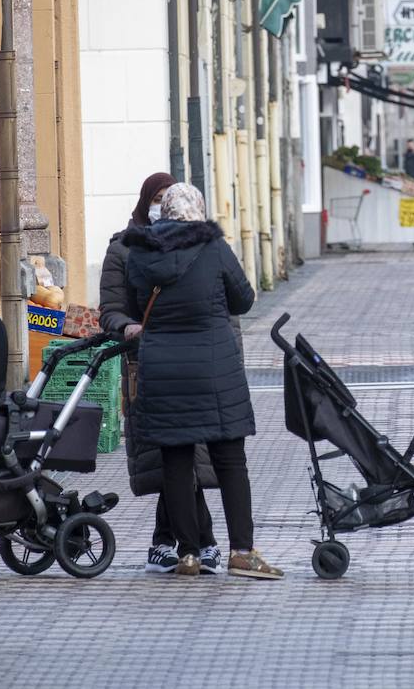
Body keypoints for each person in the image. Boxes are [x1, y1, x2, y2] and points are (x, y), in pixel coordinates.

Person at [124, 183, 282, 580]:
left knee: (176, 461)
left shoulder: (140, 252)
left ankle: (189, 554)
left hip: (161, 367)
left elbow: (134, 302)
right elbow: (243, 299)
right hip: (214, 367)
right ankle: (242, 552)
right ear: (198, 210)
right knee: (230, 460)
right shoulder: (213, 247)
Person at [99, 172, 221, 574]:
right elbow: (111, 310)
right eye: (159, 199)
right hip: (147, 364)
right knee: (174, 456)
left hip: (194, 365)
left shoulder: (202, 247)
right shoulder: (124, 248)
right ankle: (199, 541)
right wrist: (127, 327)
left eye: (171, 198)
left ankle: (171, 542)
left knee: (187, 456)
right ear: (147, 203)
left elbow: (223, 307)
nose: (166, 206)